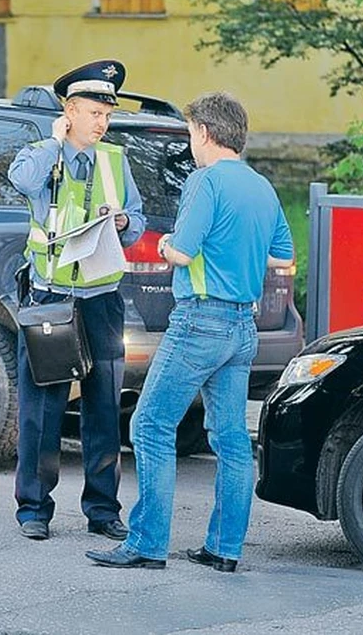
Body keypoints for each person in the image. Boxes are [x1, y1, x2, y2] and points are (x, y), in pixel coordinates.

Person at [86, 92, 294, 570]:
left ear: (203, 132)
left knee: (150, 425)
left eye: (189, 134)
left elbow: (181, 252)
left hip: (199, 320)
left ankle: (147, 544)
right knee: (230, 439)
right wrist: (233, 256)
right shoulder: (262, 186)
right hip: (244, 326)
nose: (190, 144)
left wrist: (164, 246)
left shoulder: (205, 181)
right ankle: (224, 549)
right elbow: (282, 255)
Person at [7, 59, 146, 541]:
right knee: (41, 409)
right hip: (51, 297)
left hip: (102, 301)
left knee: (105, 408)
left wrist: (127, 223)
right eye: (92, 113)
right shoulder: (40, 155)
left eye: (106, 115)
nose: (102, 123)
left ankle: (103, 510)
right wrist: (54, 141)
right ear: (69, 112)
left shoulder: (115, 159)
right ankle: (33, 509)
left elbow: (139, 216)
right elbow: (23, 184)